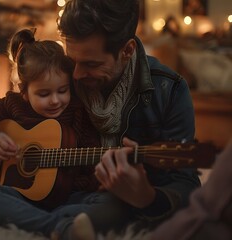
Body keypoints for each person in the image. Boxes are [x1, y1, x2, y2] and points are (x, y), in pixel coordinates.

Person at [57, 0, 201, 238]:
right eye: (72, 60)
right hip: (61, 195)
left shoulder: (170, 89)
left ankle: (53, 223)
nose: (76, 75)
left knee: (111, 211)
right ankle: (61, 225)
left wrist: (147, 197)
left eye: (91, 64)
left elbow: (186, 185)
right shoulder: (62, 74)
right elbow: (5, 110)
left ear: (127, 51)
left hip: (113, 205)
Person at [0, 28, 110, 238]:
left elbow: (91, 164)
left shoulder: (78, 113)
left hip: (67, 198)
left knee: (111, 203)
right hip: (16, 196)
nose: (55, 100)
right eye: (44, 94)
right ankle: (59, 226)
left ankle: (40, 221)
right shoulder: (12, 105)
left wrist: (97, 180)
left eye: (62, 90)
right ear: (24, 92)